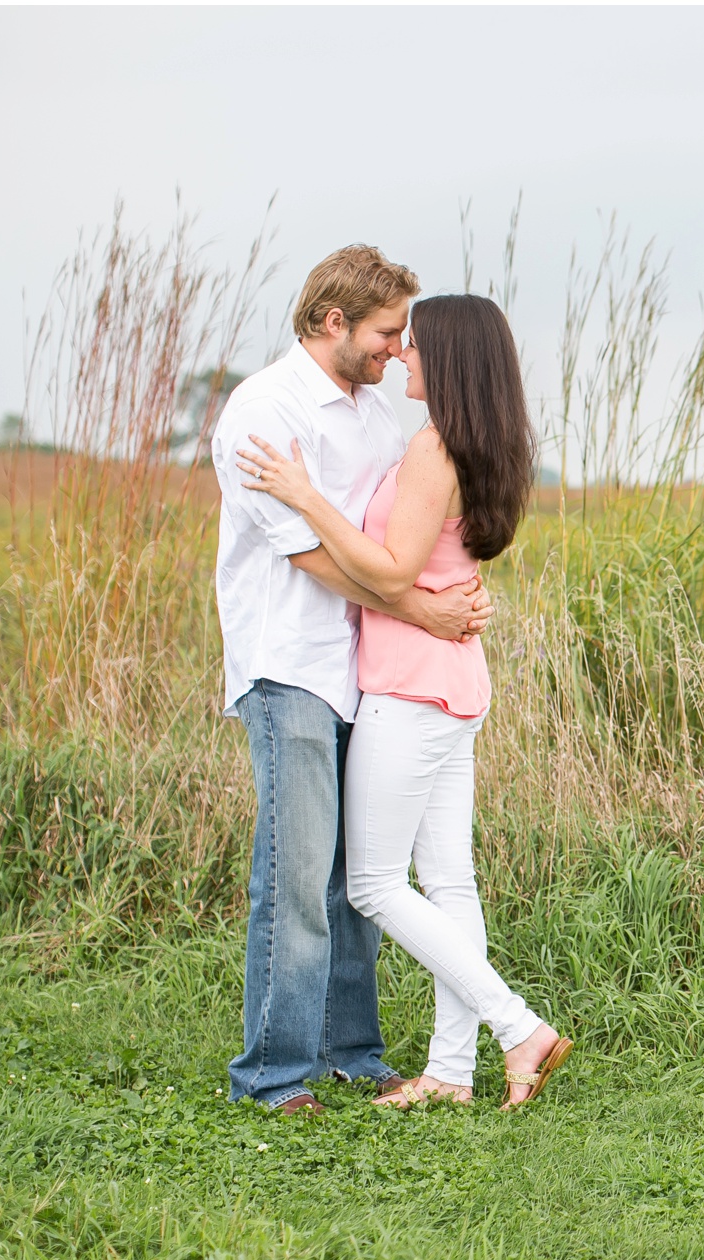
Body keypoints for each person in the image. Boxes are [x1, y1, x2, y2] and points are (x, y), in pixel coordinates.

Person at [236, 292, 571, 1111]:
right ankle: (453, 1072)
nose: (402, 357)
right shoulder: (486, 444)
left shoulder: (432, 448)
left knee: (375, 884)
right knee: (450, 881)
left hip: (408, 683)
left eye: (415, 346)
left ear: (449, 361)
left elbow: (389, 571)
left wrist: (304, 493)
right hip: (455, 679)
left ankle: (516, 1025)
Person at [211, 246, 493, 1116]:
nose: (397, 348)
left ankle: (350, 1050)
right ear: (333, 322)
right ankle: (275, 1074)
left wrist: (437, 593)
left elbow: (400, 532)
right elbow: (317, 557)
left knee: (350, 874)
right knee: (295, 872)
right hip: (290, 662)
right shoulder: (262, 412)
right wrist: (426, 610)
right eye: (385, 331)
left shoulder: (375, 412)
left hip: (366, 667)